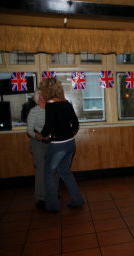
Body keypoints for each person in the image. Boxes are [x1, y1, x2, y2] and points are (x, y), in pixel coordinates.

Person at [37, 78, 84, 212]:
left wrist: (41, 135)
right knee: (65, 171)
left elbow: (48, 128)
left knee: (48, 174)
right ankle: (77, 200)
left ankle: (51, 206)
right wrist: (69, 134)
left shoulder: (50, 105)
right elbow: (75, 124)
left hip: (58, 145)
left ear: (47, 91)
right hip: (70, 143)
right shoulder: (67, 103)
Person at [26, 90, 47, 208]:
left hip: (50, 141)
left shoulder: (51, 109)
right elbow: (29, 130)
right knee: (41, 169)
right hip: (38, 142)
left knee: (55, 168)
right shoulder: (33, 111)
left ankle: (51, 192)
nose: (43, 97)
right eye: (40, 95)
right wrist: (36, 135)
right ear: (37, 98)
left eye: (44, 95)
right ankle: (40, 198)